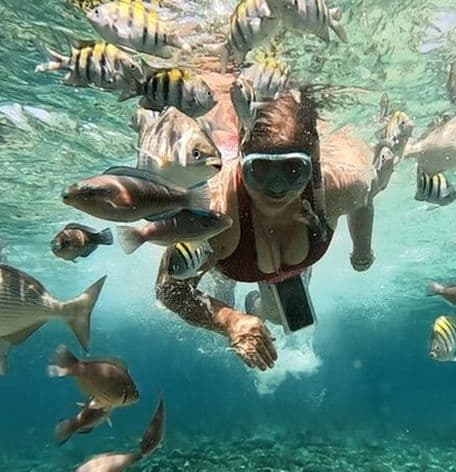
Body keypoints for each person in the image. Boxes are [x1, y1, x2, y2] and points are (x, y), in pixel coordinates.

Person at [155, 87, 379, 372]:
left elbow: (364, 199)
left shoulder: (338, 189)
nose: (276, 188)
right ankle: (229, 290)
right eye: (260, 170)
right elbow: (168, 290)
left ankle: (258, 303)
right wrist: (229, 321)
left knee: (281, 319)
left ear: (311, 163)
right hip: (227, 257)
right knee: (220, 291)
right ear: (240, 155)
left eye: (293, 171)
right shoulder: (213, 212)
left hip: (281, 262)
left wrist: (362, 249)